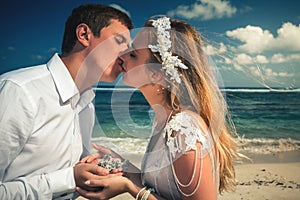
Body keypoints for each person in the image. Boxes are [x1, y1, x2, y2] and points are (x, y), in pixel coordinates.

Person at [76, 16, 240, 200]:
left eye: (133, 54)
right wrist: (124, 166)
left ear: (156, 74)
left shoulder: (184, 129)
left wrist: (129, 187)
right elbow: (163, 187)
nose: (121, 56)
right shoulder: (167, 120)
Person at [0, 4, 133, 199]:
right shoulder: (19, 91)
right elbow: (67, 177)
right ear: (84, 34)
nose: (126, 55)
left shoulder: (86, 103)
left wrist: (103, 169)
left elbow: (74, 171)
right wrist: (69, 179)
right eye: (119, 41)